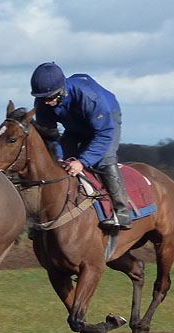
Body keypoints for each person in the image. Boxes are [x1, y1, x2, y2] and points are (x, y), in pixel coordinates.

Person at [30, 62, 132, 230]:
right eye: (42, 98)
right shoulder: (43, 102)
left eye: (50, 98)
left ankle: (122, 211)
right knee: (57, 164)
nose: (46, 103)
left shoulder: (89, 97)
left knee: (104, 159)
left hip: (106, 121)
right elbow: (49, 134)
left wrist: (82, 162)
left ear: (61, 90)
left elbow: (104, 134)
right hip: (75, 125)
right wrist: (58, 156)